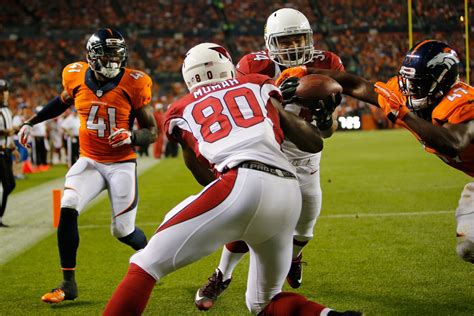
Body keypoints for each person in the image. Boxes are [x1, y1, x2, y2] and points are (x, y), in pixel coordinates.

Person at [103, 43, 359, 316]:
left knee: (145, 264)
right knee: (263, 303)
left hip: (240, 180)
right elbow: (312, 143)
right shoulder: (258, 84)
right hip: (287, 190)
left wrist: (232, 205)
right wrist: (320, 120)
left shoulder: (180, 108)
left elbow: (201, 174)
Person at [195, 8, 345, 309]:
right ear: (270, 42)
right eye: (285, 41)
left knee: (304, 229)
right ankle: (222, 274)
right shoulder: (254, 66)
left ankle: (294, 257)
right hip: (267, 152)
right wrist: (279, 95)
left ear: (310, 39)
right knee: (247, 218)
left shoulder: (326, 64)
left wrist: (325, 116)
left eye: (298, 39)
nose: (293, 47)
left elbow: (327, 133)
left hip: (306, 158)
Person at [281, 39, 474, 264]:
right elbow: (357, 85)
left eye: (417, 84)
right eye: (407, 82)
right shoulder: (405, 95)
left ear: (442, 81)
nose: (408, 90)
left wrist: (402, 114)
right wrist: (307, 70)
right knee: (468, 249)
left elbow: (452, 142)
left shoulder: (462, 102)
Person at [17, 28, 158, 304]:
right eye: (106, 56)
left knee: (123, 231)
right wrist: (30, 122)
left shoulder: (134, 83)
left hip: (121, 164)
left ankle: (156, 256)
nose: (112, 62)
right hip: (90, 160)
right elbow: (61, 103)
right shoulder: (75, 76)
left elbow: (151, 130)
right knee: (68, 204)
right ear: (92, 57)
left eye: (116, 55)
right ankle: (68, 284)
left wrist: (131, 136)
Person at [0, 79, 17, 227]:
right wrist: (4, 132)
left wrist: (13, 147)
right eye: (1, 91)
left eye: (5, 90)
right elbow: (6, 131)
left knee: (10, 184)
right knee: (5, 185)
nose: (4, 94)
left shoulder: (7, 110)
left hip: (6, 151)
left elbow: (9, 133)